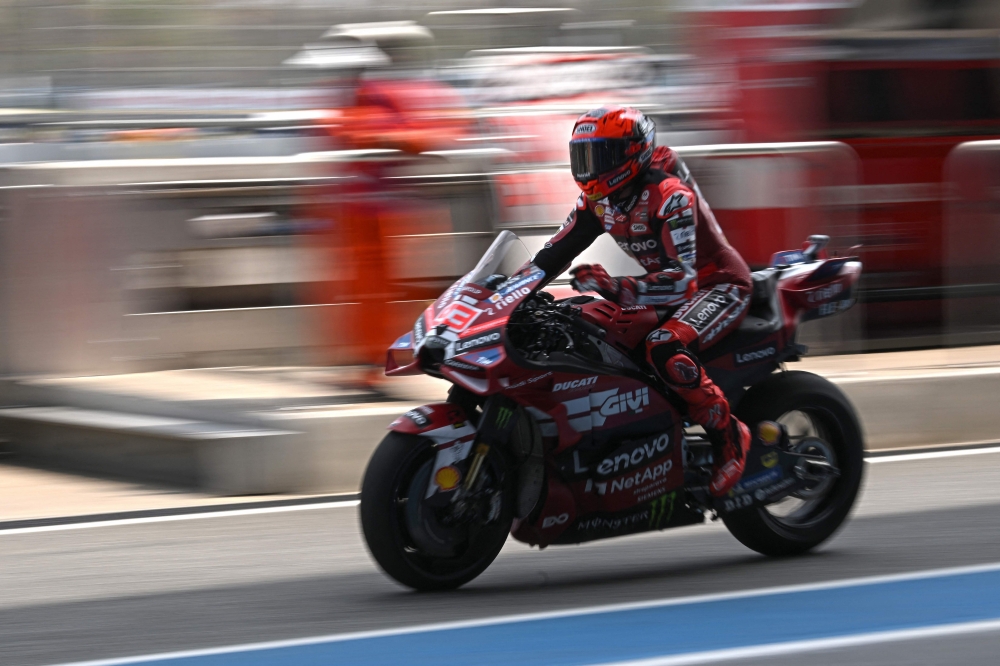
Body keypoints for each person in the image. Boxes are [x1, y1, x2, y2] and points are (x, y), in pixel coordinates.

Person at [531, 105, 754, 496]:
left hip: (717, 285)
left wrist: (615, 286)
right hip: (664, 288)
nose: (589, 168)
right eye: (581, 156)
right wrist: (506, 290)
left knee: (663, 346)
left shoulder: (670, 197)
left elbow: (682, 282)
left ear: (631, 154)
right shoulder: (599, 201)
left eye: (599, 156)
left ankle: (729, 434)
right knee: (589, 328)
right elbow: (551, 254)